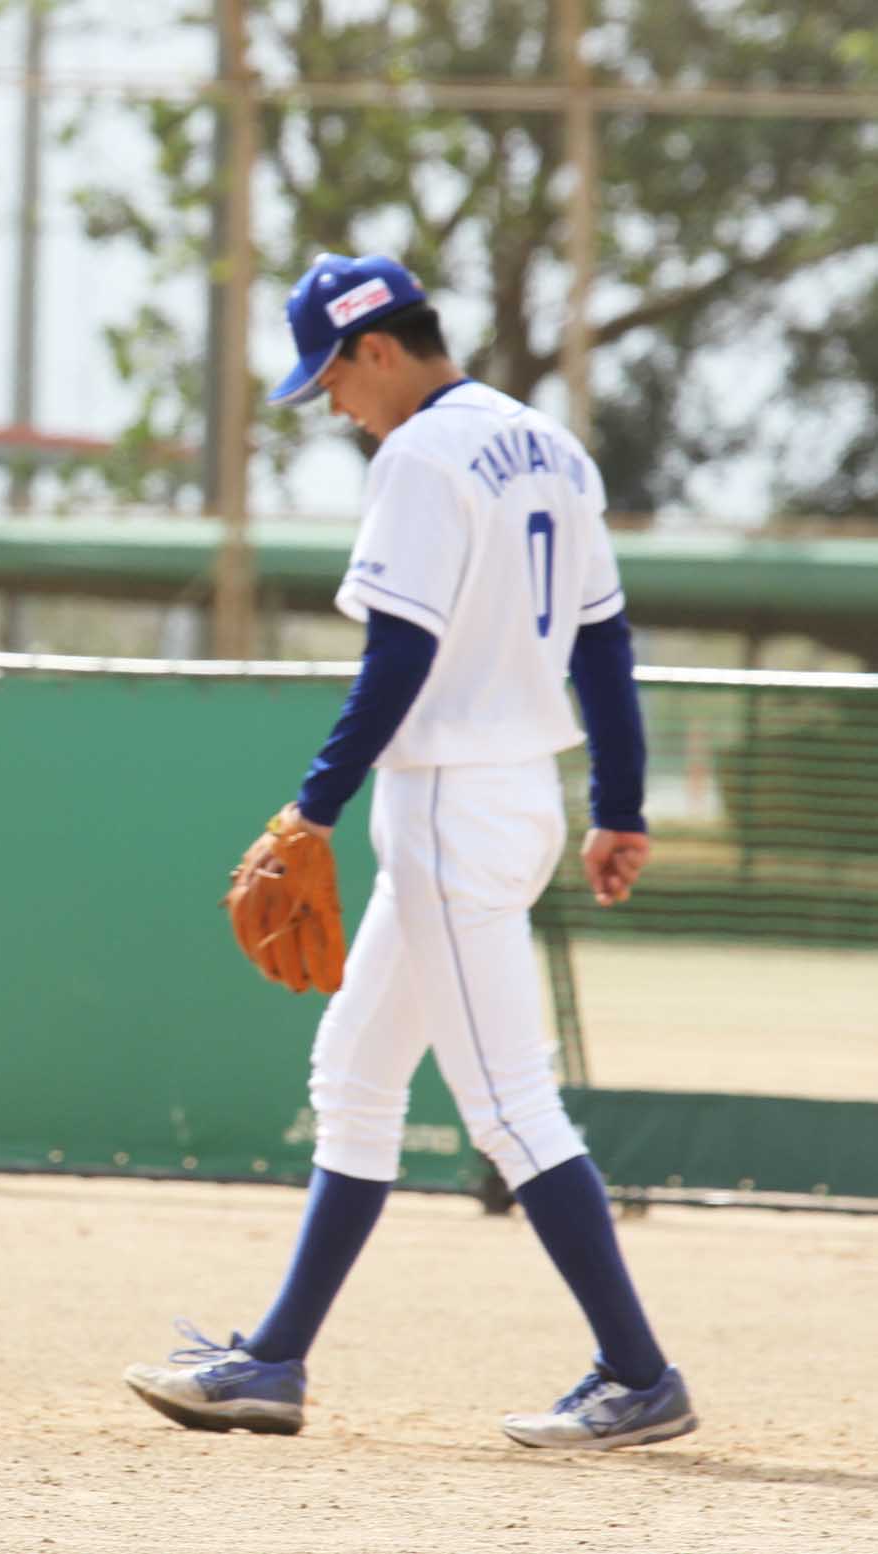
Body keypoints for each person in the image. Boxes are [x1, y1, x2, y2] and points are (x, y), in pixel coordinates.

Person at [124, 254, 695, 1451]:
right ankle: (273, 1361)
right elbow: (603, 640)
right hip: (511, 793)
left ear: (378, 347)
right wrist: (621, 802)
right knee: (355, 1077)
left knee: (506, 1104)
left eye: (332, 377)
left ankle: (638, 1373)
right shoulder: (549, 444)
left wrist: (310, 806)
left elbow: (399, 658)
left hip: (448, 800)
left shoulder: (421, 457)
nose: (333, 403)